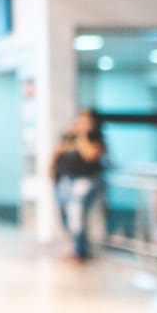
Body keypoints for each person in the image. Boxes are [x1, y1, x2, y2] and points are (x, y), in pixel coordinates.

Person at [51, 108, 108, 260]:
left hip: (84, 180)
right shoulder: (68, 137)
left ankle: (79, 251)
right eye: (80, 120)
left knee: (76, 213)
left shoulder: (96, 139)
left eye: (86, 121)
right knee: (65, 215)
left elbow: (89, 155)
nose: (82, 124)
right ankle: (72, 247)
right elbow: (57, 153)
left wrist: (82, 135)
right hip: (64, 180)